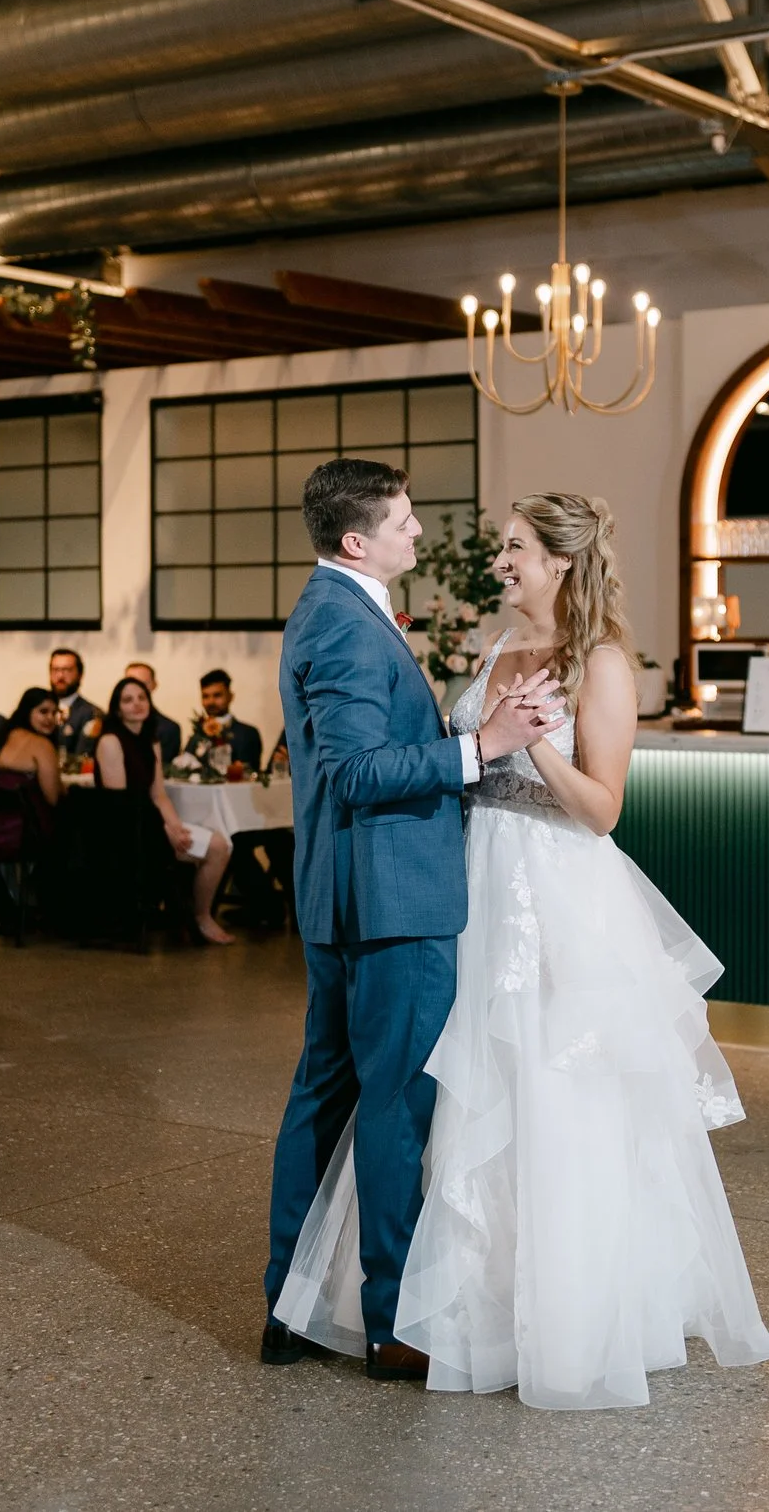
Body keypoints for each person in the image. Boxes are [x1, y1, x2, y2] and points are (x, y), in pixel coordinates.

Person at [273, 492, 769, 1407]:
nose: (497, 561)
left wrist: (530, 746)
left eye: (513, 549)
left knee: (547, 1088)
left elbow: (604, 809)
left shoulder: (605, 663)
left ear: (559, 561)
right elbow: (460, 759)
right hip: (471, 880)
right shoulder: (497, 650)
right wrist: (485, 742)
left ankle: (562, 1308)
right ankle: (464, 1299)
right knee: (457, 1089)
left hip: (556, 893)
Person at [258, 458, 562, 1384]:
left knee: (327, 1095)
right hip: (393, 903)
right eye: (403, 519)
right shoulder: (347, 628)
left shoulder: (331, 609)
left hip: (346, 894)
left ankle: (291, 1304)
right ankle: (390, 1321)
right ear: (358, 540)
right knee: (395, 1104)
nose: (420, 531)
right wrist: (485, 747)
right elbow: (353, 772)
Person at [96, 675, 234, 945]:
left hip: (150, 823)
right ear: (116, 708)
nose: (137, 704)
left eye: (141, 698)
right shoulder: (110, 741)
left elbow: (158, 794)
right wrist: (164, 832)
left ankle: (202, 915)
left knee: (220, 846)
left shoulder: (151, 740)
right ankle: (191, 918)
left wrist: (175, 826)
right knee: (206, 847)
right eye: (128, 700)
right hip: (125, 833)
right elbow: (122, 807)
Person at [0, 687, 61, 859]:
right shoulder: (42, 745)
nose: (50, 719)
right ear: (27, 711)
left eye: (55, 713)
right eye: (43, 712)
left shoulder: (0, 739)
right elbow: (53, 798)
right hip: (24, 835)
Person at [192, 669, 265, 770]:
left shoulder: (248, 734)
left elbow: (250, 775)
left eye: (217, 695)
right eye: (205, 696)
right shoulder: (197, 734)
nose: (211, 701)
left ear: (230, 696)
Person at [122, 662, 182, 762]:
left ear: (154, 685)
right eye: (131, 683)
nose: (137, 689)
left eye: (143, 684)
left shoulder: (169, 729)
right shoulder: (110, 724)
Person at [47, 649, 101, 757]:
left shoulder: (92, 713)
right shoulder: (38, 710)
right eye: (55, 670)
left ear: (80, 674)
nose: (60, 676)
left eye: (67, 670)